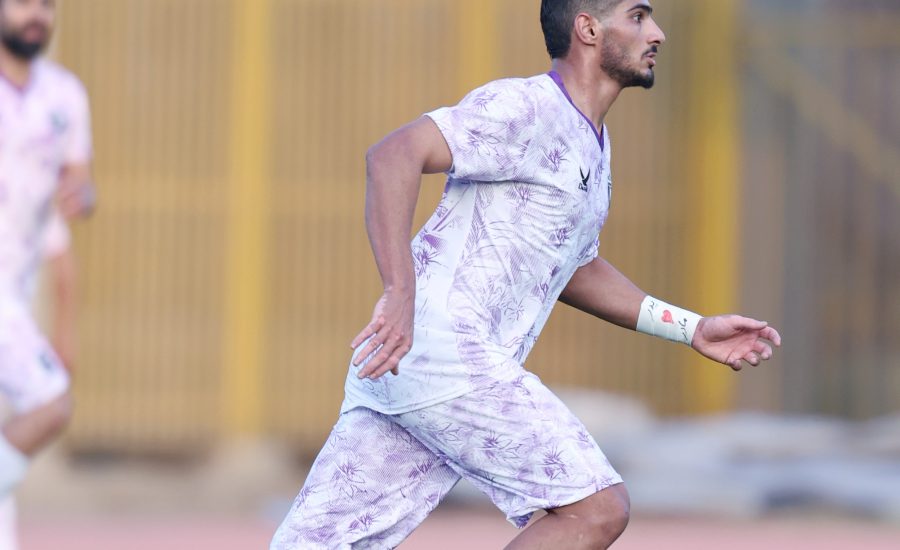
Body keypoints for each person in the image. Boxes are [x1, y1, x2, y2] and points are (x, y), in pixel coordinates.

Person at [272, 1, 781, 548]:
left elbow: (575, 267)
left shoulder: (593, 143)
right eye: (637, 16)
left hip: (409, 364)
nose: (656, 33)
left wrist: (691, 328)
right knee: (596, 509)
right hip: (448, 354)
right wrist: (399, 292)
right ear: (588, 28)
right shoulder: (526, 107)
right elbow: (392, 155)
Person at [0, 0, 95, 512]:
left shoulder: (65, 95)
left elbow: (79, 183)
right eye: (22, 3)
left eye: (46, 4)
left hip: (17, 290)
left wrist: (84, 194)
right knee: (50, 403)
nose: (35, 14)